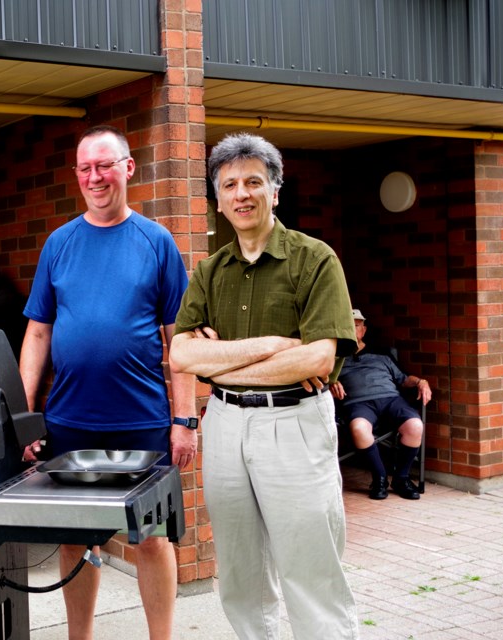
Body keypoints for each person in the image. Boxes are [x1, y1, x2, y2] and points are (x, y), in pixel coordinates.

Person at [168, 133, 360, 639]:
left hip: (293, 423)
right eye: (229, 184)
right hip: (226, 425)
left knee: (310, 569)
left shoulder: (315, 259)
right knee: (239, 575)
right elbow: (182, 354)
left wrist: (219, 363)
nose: (241, 193)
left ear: (276, 190)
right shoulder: (210, 272)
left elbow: (319, 356)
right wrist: (274, 346)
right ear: (218, 200)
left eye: (254, 181)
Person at [19, 125, 196, 640]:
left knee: (152, 539)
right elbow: (37, 332)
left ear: (128, 168)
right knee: (75, 540)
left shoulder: (156, 242)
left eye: (105, 165)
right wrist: (25, 417)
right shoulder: (59, 243)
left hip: (143, 422)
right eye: (85, 168)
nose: (95, 177)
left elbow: (178, 341)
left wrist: (183, 420)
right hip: (71, 421)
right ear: (77, 175)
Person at [330, 309, 431, 500]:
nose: (353, 329)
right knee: (359, 428)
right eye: (348, 326)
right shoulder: (334, 357)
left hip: (391, 399)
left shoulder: (382, 352)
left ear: (364, 329)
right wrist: (331, 382)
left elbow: (403, 379)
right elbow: (319, 381)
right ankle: (380, 478)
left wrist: (420, 382)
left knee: (415, 426)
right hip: (358, 404)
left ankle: (401, 478)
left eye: (357, 325)